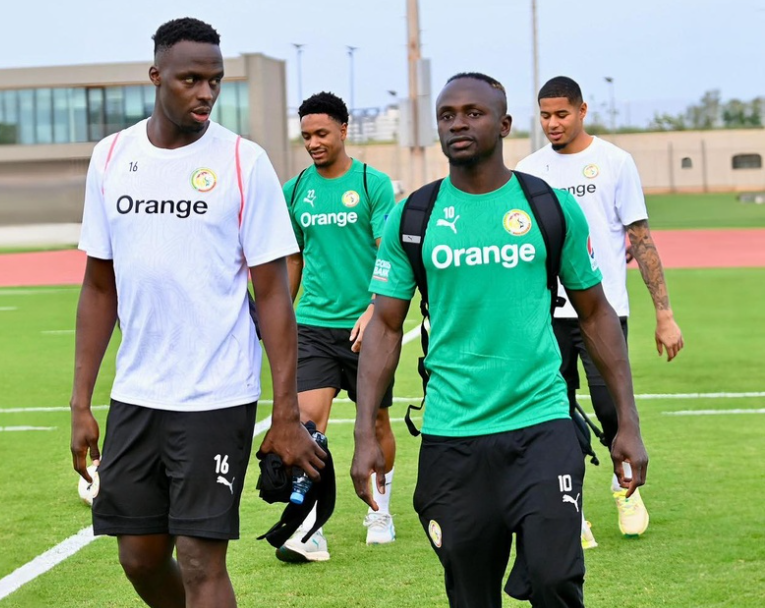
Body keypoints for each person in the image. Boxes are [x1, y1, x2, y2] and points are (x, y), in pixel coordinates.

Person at [351, 72, 649, 607]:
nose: (458, 123)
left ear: (505, 124)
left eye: (473, 112)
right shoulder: (413, 216)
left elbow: (596, 313)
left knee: (557, 580)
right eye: (447, 115)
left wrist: (625, 422)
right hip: (452, 434)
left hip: (541, 423)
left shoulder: (549, 208)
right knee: (471, 595)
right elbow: (386, 327)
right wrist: (365, 435)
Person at [69, 17, 325, 608]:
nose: (206, 92)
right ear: (156, 76)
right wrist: (82, 402)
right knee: (139, 556)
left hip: (217, 395)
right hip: (137, 393)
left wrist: (284, 412)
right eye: (190, 79)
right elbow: (99, 286)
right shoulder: (111, 158)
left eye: (215, 80)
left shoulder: (243, 162)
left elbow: (274, 295)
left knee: (199, 558)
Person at [516, 76, 683, 547]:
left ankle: (624, 488)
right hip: (544, 316)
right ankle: (573, 509)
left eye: (561, 114)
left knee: (613, 410)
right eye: (545, 115)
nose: (552, 123)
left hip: (602, 312)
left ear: (582, 110)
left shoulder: (614, 162)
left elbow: (641, 240)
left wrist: (664, 314)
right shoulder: (528, 170)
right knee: (554, 415)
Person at [275, 91, 398, 563]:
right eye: (306, 135)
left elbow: (389, 254)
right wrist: (279, 312)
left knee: (376, 420)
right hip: (313, 326)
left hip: (369, 326)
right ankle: (308, 527)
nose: (313, 142)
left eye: (322, 133)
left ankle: (379, 510)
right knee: (309, 425)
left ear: (344, 130)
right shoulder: (296, 190)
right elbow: (293, 257)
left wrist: (375, 310)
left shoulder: (373, 184)